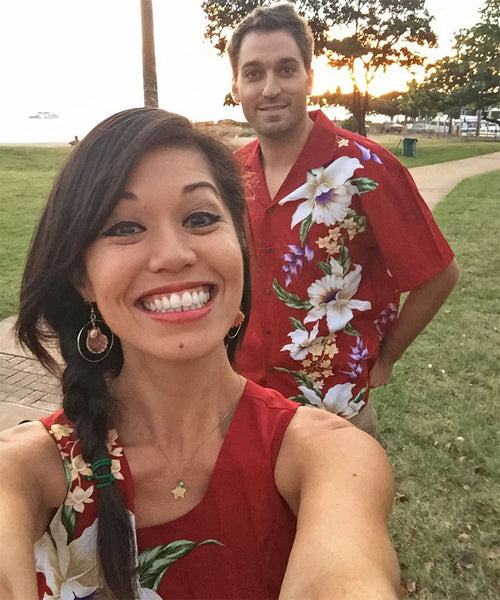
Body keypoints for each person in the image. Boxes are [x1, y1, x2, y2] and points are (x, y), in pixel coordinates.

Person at [0, 108, 399, 599]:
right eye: (124, 228)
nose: (173, 255)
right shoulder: (24, 472)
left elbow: (347, 575)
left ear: (240, 248)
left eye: (201, 218)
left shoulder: (329, 457)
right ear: (83, 277)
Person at [228, 4, 459, 435]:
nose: (270, 88)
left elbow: (439, 273)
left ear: (310, 78)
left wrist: (386, 359)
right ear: (237, 85)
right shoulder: (229, 174)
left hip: (333, 413)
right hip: (241, 404)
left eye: (286, 69)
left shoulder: (365, 167)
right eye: (254, 73)